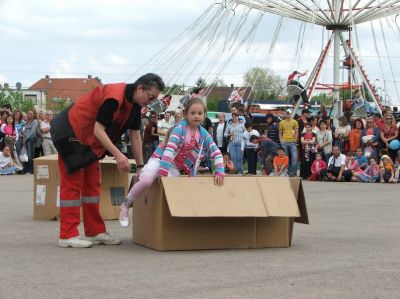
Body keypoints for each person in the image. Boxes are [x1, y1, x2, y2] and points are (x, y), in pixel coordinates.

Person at [50, 73, 165, 248]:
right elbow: (98, 129)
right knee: (72, 184)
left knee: (93, 184)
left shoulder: (135, 106)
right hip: (70, 133)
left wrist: (141, 166)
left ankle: (95, 231)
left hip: (89, 142)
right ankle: (67, 235)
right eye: (151, 97)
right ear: (140, 88)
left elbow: (135, 136)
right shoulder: (114, 97)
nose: (150, 102)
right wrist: (118, 155)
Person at [119, 98, 224, 227]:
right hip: (159, 160)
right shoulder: (179, 129)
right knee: (146, 181)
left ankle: (170, 221)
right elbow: (169, 150)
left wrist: (220, 171)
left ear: (204, 115)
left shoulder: (204, 134)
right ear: (185, 114)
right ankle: (125, 205)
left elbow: (216, 151)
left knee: (174, 193)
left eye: (200, 113)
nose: (196, 116)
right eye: (192, 113)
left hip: (174, 167)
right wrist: (163, 172)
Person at [279, 109, 298, 176]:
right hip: (284, 142)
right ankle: (288, 173)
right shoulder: (282, 122)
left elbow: (296, 132)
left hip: (292, 142)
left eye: (289, 113)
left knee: (294, 158)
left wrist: (295, 140)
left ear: (291, 113)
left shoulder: (295, 122)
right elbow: (280, 133)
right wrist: (281, 140)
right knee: (286, 159)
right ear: (285, 114)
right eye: (287, 113)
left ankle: (292, 173)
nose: (288, 114)